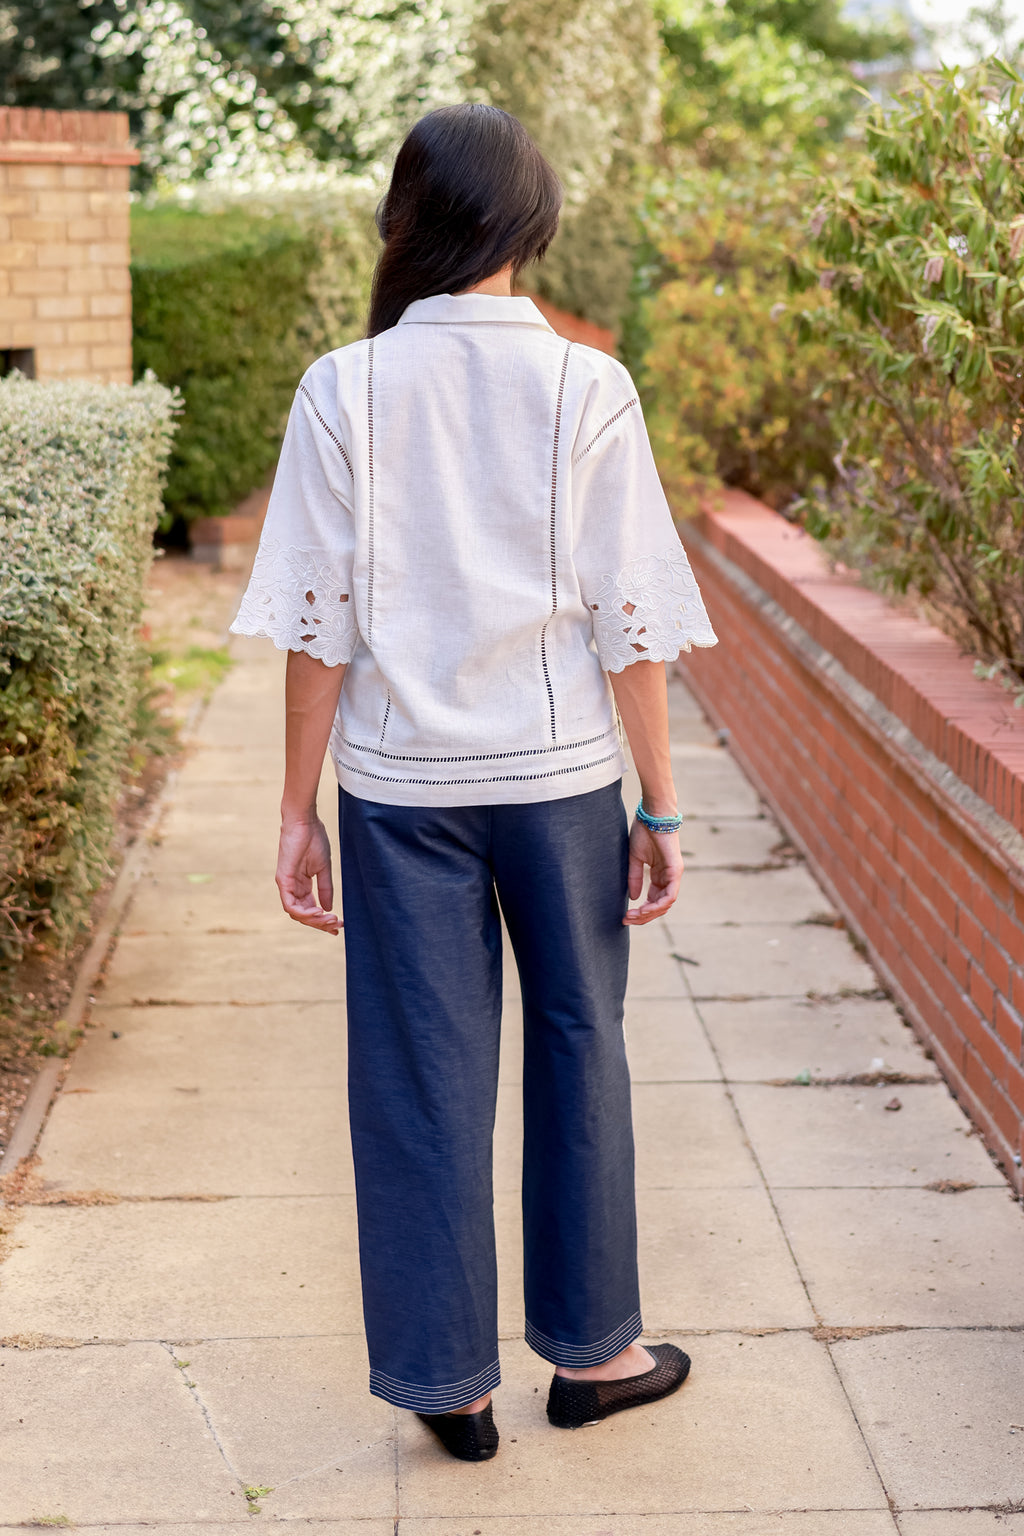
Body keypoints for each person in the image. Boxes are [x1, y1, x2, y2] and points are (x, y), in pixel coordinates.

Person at [230, 102, 718, 1463]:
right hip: (561, 783)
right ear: (529, 223)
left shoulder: (346, 385)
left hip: (399, 789)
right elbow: (633, 620)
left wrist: (295, 805)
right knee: (581, 1052)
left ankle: (450, 1383)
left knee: (419, 1077)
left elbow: (316, 622)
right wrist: (659, 805)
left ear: (410, 221)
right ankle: (599, 1354)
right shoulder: (584, 387)